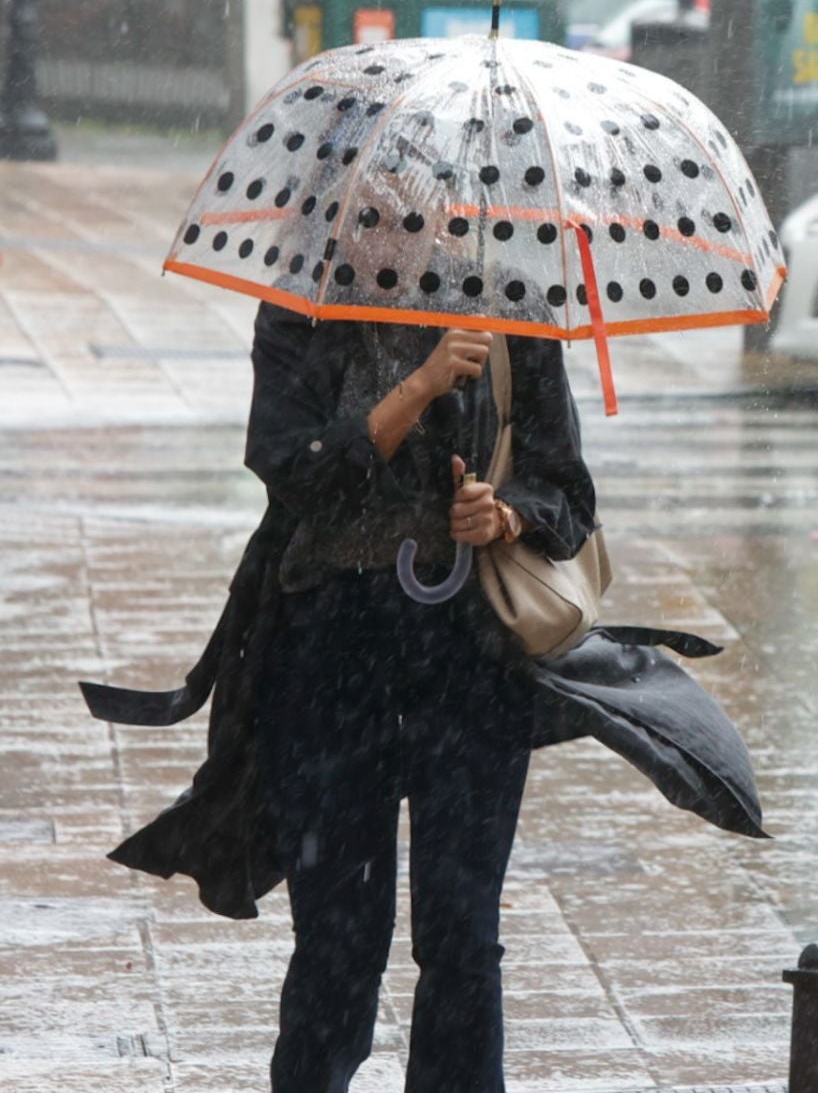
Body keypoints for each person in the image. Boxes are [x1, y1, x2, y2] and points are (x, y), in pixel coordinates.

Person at [248, 310, 593, 1092]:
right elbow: (290, 470)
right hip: (333, 647)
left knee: (463, 928)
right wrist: (422, 385)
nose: (400, 228)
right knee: (339, 927)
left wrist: (507, 514)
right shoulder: (299, 313)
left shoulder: (510, 311)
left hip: (469, 656)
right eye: (376, 212)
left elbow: (567, 492)